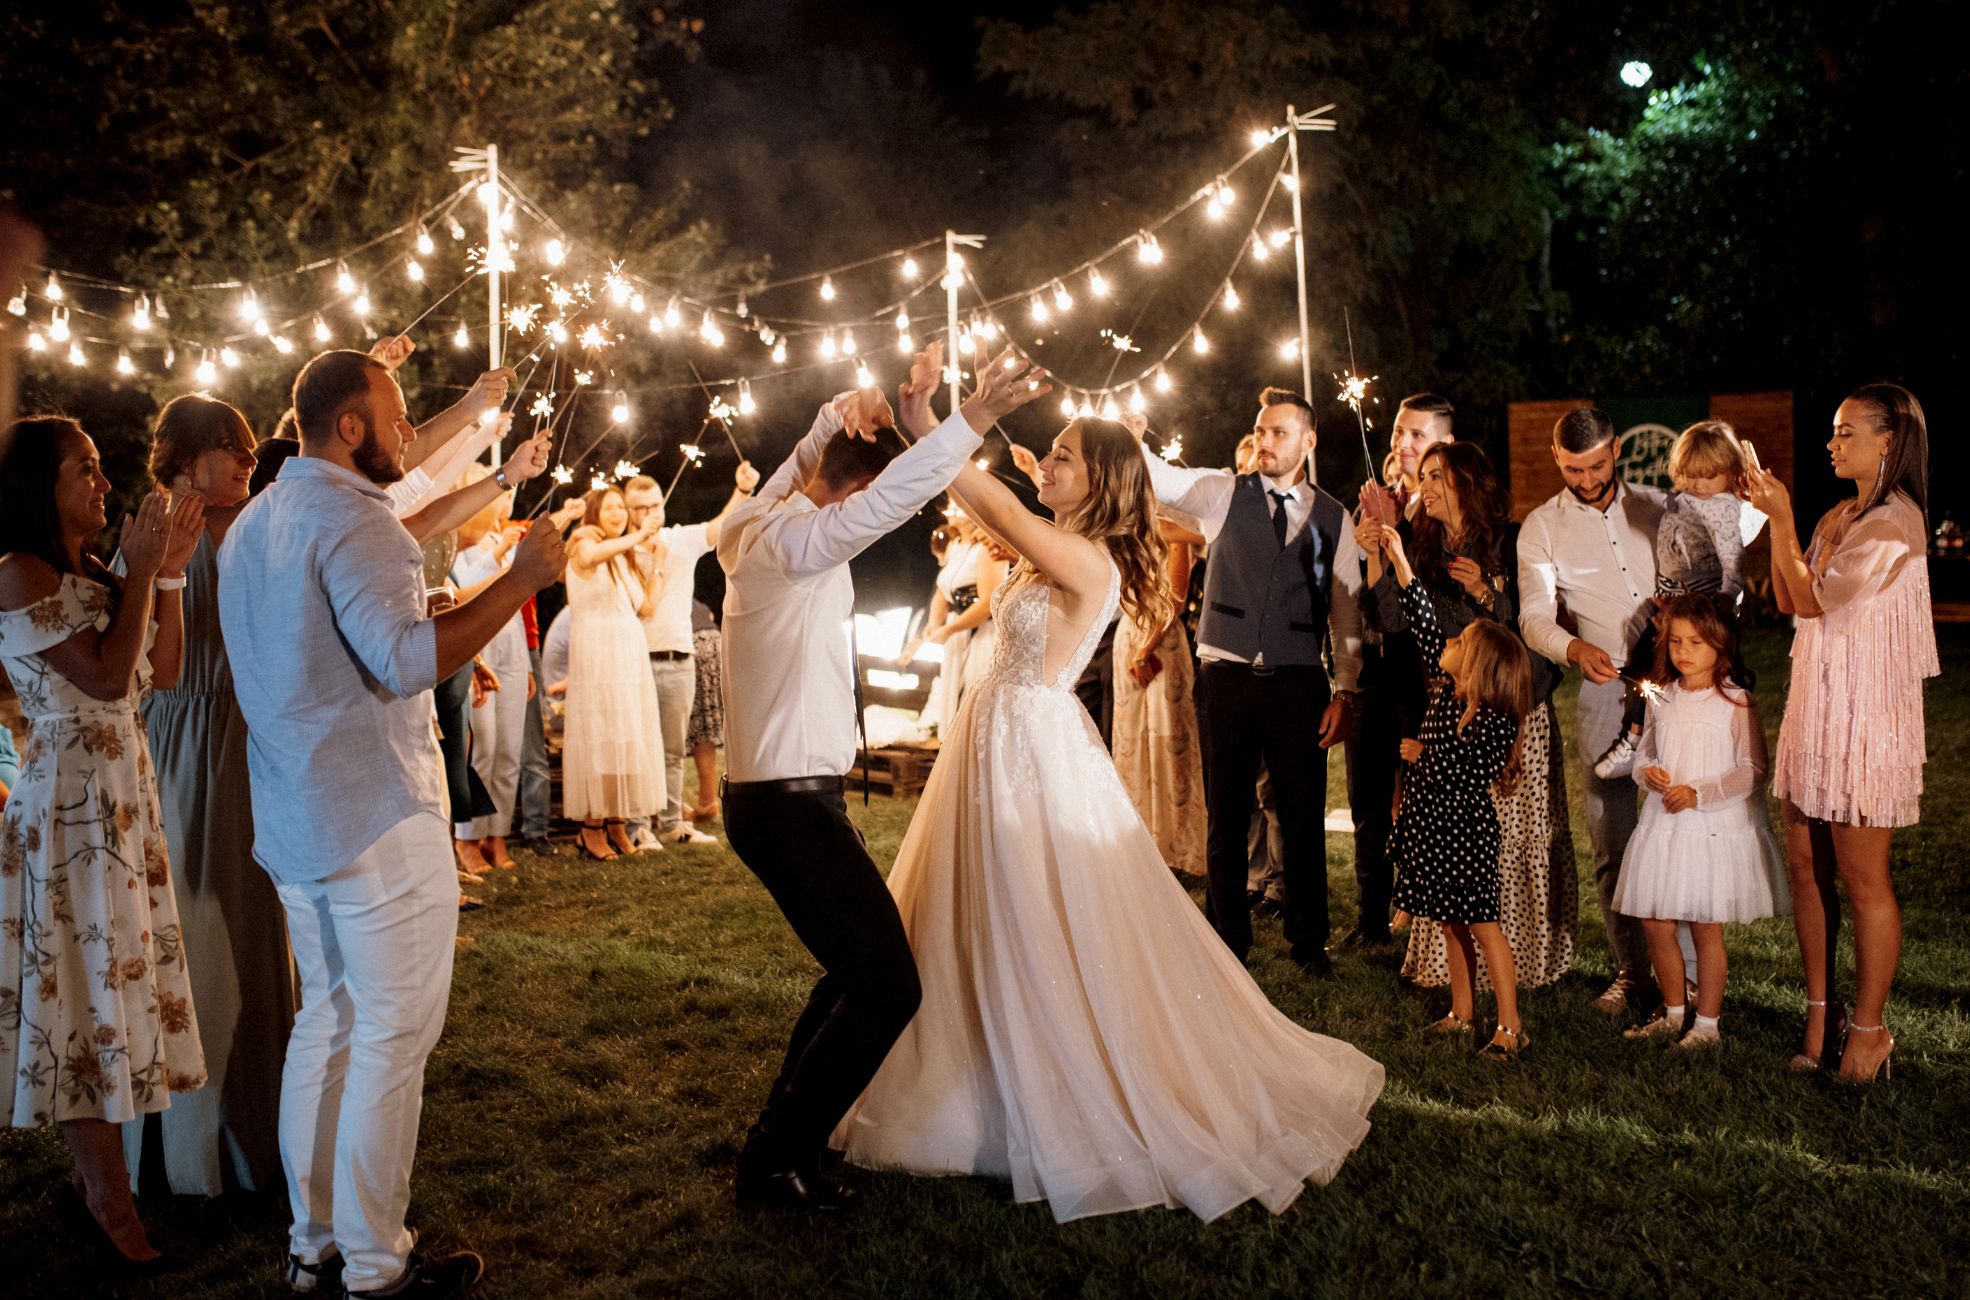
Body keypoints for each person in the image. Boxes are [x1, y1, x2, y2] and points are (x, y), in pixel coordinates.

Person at [835, 347, 1384, 1223]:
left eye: (1060, 455)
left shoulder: (1083, 557)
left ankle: (1030, 1088)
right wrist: (930, 421)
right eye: (1048, 453)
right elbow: (981, 496)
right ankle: (966, 1071)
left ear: (1098, 481)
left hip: (1028, 754)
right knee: (968, 917)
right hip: (995, 741)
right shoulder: (1061, 545)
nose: (1044, 462)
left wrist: (933, 418)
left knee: (1030, 920)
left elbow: (985, 496)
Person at [220, 349, 567, 1297]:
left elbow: (349, 634)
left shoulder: (254, 524)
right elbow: (411, 661)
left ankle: (312, 1244)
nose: (411, 433)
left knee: (326, 1023)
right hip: (376, 812)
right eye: (401, 416)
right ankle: (376, 1267)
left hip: (295, 812)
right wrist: (520, 582)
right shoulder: (352, 521)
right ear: (350, 428)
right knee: (391, 1036)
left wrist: (440, 593)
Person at [719, 346, 1051, 1212]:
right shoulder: (792, 543)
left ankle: (780, 1145)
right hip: (786, 803)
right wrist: (966, 420)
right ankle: (776, 1160)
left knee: (850, 973)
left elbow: (800, 472)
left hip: (782, 799)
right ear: (853, 494)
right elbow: (893, 496)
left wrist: (835, 416)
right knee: (887, 985)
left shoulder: (750, 529)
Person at [0, 415, 208, 1270]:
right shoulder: (19, 575)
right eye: (82, 469)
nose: (101, 481)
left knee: (117, 987)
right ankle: (105, 1198)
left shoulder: (91, 570)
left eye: (97, 465)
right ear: (36, 487)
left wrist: (168, 580)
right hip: (71, 811)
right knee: (80, 997)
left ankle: (105, 1186)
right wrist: (143, 568)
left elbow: (164, 666)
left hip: (124, 801)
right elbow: (103, 673)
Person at [118, 394, 293, 1200]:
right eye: (228, 446)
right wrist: (167, 569)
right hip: (184, 746)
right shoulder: (150, 534)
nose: (247, 458)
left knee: (259, 940)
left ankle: (267, 1143)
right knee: (194, 942)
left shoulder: (263, 525)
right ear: (183, 458)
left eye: (250, 446)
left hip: (255, 744)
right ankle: (190, 1158)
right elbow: (154, 668)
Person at [1745, 382, 1936, 1083]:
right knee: (1805, 867)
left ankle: (1869, 1032)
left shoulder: (1894, 525)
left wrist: (1783, 517)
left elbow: (1815, 597)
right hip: (1819, 706)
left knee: (1862, 878)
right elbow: (1787, 596)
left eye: (1846, 431)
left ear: (1889, 440)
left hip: (1865, 719)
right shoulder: (1838, 516)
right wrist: (1780, 525)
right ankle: (1819, 1016)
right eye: (1833, 431)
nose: (1832, 442)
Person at [1139, 388, 1365, 973]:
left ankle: (1309, 941)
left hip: (1297, 682)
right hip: (1226, 677)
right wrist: (1132, 438)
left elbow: (1345, 612)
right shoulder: (1221, 491)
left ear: (1307, 441)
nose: (1264, 442)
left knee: (1301, 814)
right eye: (1260, 431)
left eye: (1278, 433)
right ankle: (1226, 939)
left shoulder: (1334, 516)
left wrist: (1345, 690)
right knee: (1228, 813)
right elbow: (1160, 480)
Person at [1362, 443, 1577, 991]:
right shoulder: (1423, 545)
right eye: (1423, 476)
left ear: (1468, 482)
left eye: (1437, 476)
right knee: (1455, 840)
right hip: (1448, 706)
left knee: (1512, 835)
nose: (1425, 485)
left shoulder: (1510, 539)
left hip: (1510, 707)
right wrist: (1379, 554)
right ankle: (1454, 975)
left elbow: (1533, 627)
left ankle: (1523, 965)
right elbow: (1395, 618)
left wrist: (1487, 589)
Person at [1517, 408, 1668, 1015]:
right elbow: (1532, 615)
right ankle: (1633, 970)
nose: (1586, 479)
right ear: (1558, 460)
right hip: (1606, 687)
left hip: (1675, 683)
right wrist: (1572, 647)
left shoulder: (1659, 506)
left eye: (1598, 466)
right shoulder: (1541, 526)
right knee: (1612, 835)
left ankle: (1682, 974)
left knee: (1677, 830)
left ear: (1616, 453)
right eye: (1574, 469)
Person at [1371, 521, 1534, 1057]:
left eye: (1460, 641)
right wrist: (1399, 561)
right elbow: (1421, 620)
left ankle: (1510, 1026)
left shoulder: (1493, 720)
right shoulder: (1445, 690)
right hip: (1434, 828)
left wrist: (1425, 755)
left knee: (1483, 928)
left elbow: (1470, 774)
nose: (1448, 641)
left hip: (1465, 833)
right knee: (1450, 924)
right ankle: (1462, 1013)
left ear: (1480, 667)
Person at [1608, 596, 1791, 1049]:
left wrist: (1700, 793)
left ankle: (1707, 1023)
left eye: (1695, 642)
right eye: (1675, 642)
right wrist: (1645, 771)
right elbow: (1645, 753)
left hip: (1708, 828)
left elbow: (1753, 769)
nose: (1683, 651)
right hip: (1664, 826)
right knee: (1655, 919)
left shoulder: (1735, 702)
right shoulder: (1661, 697)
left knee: (1706, 924)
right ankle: (1674, 1011)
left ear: (1721, 645)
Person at [1342, 393, 1455, 946]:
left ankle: (1419, 912)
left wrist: (1393, 541)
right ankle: (1370, 920)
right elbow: (1371, 608)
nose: (1403, 444)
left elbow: (1421, 611)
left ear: (1445, 444)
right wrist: (1371, 546)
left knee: (1420, 798)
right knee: (1367, 799)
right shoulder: (1378, 501)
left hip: (1425, 680)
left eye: (1417, 434)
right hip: (1374, 676)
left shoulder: (1445, 515)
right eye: (1398, 433)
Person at [1594, 421, 1761, 777]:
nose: (1699, 485)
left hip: (1701, 604)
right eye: (1691, 475)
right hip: (1674, 599)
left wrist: (1727, 597)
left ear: (1730, 472)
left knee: (1652, 663)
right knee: (1647, 664)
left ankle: (1637, 737)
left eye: (1709, 476)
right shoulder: (1685, 500)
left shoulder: (1722, 508)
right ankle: (1647, 735)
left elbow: (1734, 558)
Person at [622, 462, 758, 850]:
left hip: (680, 657)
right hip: (637, 659)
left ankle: (670, 823)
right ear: (628, 511)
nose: (649, 514)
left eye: (654, 506)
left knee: (670, 749)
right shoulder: (620, 549)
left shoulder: (678, 539)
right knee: (639, 746)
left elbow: (720, 527)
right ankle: (636, 824)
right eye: (640, 508)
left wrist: (743, 491)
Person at [562, 486, 666, 861]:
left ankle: (617, 826)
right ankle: (591, 830)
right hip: (597, 653)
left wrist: (656, 561)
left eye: (622, 507)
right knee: (600, 738)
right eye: (610, 508)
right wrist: (638, 536)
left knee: (624, 737)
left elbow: (647, 606)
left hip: (628, 654)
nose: (619, 513)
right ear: (594, 513)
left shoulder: (623, 557)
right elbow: (590, 555)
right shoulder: (582, 543)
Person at [1110, 515, 1207, 875]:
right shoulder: (1127, 535)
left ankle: (1176, 848)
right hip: (1129, 637)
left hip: (1161, 644)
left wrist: (1145, 647)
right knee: (1133, 741)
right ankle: (1139, 842)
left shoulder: (1172, 534)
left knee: (1168, 744)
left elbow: (1176, 599)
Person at [450, 485, 529, 871]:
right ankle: (468, 838)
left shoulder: (508, 538)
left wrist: (527, 665)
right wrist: (497, 555)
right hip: (481, 642)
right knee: (483, 747)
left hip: (512, 647)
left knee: (509, 752)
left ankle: (497, 836)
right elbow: (462, 592)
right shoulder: (461, 543)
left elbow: (520, 602)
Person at [684, 599, 724, 823]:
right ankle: (707, 801)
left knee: (683, 725)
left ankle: (659, 807)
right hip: (714, 642)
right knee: (705, 725)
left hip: (691, 644)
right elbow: (708, 616)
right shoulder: (696, 602)